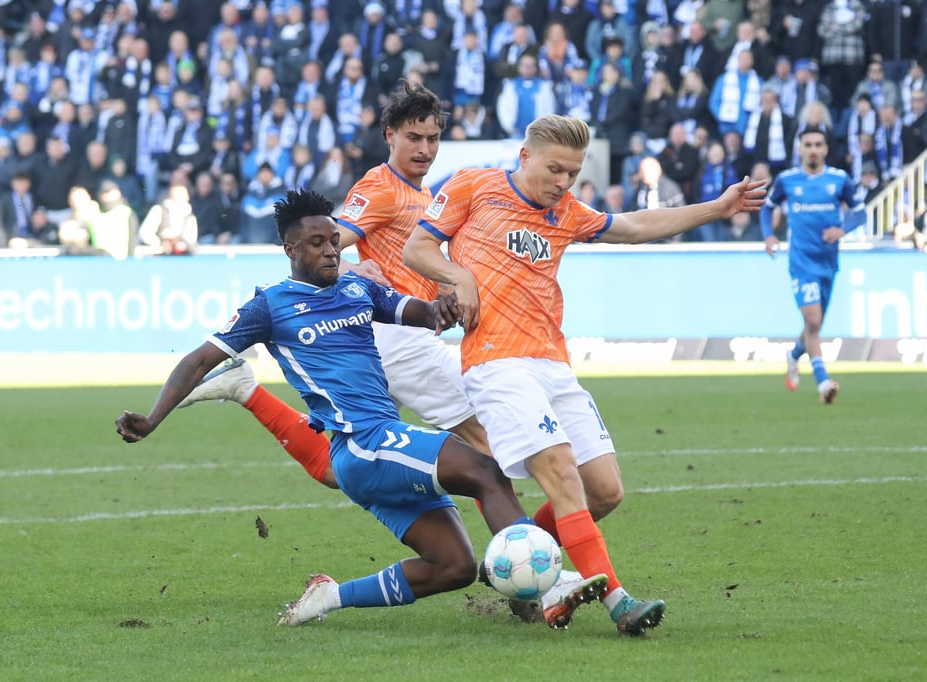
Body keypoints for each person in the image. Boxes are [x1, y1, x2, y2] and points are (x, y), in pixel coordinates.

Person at [174, 84, 608, 628]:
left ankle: (245, 390)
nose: (424, 148)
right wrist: (350, 268)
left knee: (359, 465)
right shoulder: (380, 187)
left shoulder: (424, 193)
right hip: (397, 341)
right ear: (389, 137)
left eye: (432, 138)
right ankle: (537, 577)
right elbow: (335, 237)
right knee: (486, 458)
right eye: (413, 137)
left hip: (414, 332)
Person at [401, 114, 766, 635]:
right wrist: (459, 276)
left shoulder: (567, 212)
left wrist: (720, 207)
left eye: (571, 173)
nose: (562, 183)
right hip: (496, 363)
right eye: (554, 170)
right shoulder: (473, 186)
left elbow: (636, 227)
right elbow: (418, 247)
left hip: (552, 363)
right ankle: (617, 600)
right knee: (563, 473)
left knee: (605, 492)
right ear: (524, 157)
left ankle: (515, 554)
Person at [115, 189, 537, 629]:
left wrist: (443, 308)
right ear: (291, 249)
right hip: (362, 443)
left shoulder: (358, 288)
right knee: (487, 471)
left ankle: (329, 596)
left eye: (334, 241)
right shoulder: (271, 305)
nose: (331, 251)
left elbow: (421, 313)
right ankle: (545, 581)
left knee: (454, 567)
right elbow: (200, 359)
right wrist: (153, 419)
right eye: (317, 244)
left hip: (378, 448)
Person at [761, 127, 867, 404]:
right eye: (808, 144)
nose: (813, 149)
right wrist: (769, 235)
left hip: (828, 263)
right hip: (801, 262)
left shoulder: (839, 179)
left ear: (825, 149)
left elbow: (860, 212)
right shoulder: (787, 180)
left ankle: (794, 354)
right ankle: (823, 383)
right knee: (813, 320)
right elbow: (767, 207)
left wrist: (842, 230)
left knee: (813, 328)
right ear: (800, 149)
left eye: (818, 144)